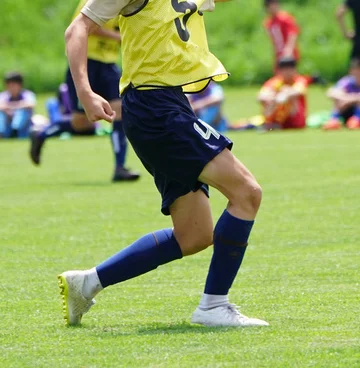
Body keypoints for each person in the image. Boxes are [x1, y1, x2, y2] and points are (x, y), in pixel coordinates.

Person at [58, 0, 268, 327]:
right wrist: (85, 93)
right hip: (153, 107)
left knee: (194, 234)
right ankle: (214, 306)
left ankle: (87, 283)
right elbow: (77, 29)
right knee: (247, 193)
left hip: (168, 105)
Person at [29, 0, 139, 182]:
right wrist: (118, 37)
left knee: (118, 111)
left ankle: (120, 167)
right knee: (83, 123)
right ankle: (41, 133)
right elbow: (82, 26)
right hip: (87, 62)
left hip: (109, 64)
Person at [323, 57, 360, 130]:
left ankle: (356, 120)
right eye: (356, 70)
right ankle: (333, 120)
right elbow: (331, 93)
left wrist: (350, 99)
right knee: (338, 99)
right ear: (351, 71)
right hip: (349, 113)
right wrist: (347, 98)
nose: (358, 73)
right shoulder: (346, 81)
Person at [258, 57, 309, 130]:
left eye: (290, 69)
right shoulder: (275, 82)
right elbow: (261, 95)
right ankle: (270, 122)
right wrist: (273, 97)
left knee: (291, 97)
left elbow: (297, 91)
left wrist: (284, 94)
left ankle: (291, 123)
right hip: (277, 115)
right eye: (285, 69)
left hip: (295, 118)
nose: (287, 72)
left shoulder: (299, 80)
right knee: (269, 99)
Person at [264, 0, 300, 70]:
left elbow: (292, 33)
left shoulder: (284, 18)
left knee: (288, 74)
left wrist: (289, 48)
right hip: (278, 54)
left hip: (288, 52)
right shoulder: (269, 23)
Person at [0, 72, 36, 139]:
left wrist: (10, 107)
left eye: (13, 84)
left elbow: (30, 104)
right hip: (7, 123)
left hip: (24, 127)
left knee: (22, 112)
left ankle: (15, 130)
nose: (10, 87)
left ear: (20, 85)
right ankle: (1, 133)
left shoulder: (27, 94)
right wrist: (19, 105)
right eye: (8, 84)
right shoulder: (3, 95)